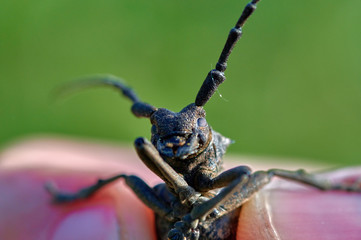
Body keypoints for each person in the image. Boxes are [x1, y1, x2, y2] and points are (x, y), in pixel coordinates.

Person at [0, 137, 360, 240]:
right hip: (171, 214)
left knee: (263, 175)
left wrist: (210, 209)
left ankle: (326, 186)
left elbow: (247, 177)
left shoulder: (230, 178)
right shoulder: (158, 169)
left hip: (211, 218)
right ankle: (77, 197)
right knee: (129, 180)